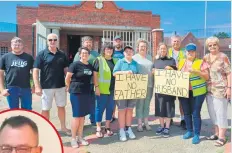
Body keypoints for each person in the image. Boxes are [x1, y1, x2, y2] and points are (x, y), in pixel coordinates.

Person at [33, 33, 70, 135]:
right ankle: (46, 128)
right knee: (45, 109)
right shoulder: (41, 54)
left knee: (61, 107)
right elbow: (35, 70)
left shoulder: (62, 54)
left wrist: (68, 83)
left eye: (54, 39)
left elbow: (66, 70)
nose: (52, 41)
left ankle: (63, 127)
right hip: (46, 87)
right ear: (47, 41)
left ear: (57, 41)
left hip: (61, 86)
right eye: (50, 40)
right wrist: (37, 86)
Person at [178, 43, 209, 144]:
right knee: (186, 112)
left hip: (198, 92)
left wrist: (197, 71)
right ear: (185, 52)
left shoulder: (201, 62)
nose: (190, 53)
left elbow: (207, 76)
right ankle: (189, 131)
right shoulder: (181, 62)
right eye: (188, 51)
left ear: (195, 53)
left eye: (192, 51)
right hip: (184, 91)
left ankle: (196, 134)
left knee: (195, 113)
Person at [203, 36, 231, 147]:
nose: (212, 46)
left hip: (221, 89)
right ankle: (216, 133)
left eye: (214, 44)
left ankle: (222, 137)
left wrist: (229, 88)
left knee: (221, 114)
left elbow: (229, 73)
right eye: (210, 45)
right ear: (207, 47)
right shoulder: (206, 58)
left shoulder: (223, 57)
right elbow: (204, 72)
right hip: (209, 90)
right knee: (212, 113)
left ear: (218, 45)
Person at [65, 47, 94, 148]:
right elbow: (68, 77)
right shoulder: (75, 64)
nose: (85, 55)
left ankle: (80, 137)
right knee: (77, 116)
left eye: (86, 53)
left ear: (89, 55)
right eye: (83, 53)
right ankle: (73, 138)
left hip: (86, 93)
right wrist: (68, 87)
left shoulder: (90, 66)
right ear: (80, 54)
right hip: (76, 92)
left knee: (82, 116)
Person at [0, 37, 34, 110]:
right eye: (15, 44)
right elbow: (1, 74)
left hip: (26, 87)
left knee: (27, 109)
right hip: (11, 88)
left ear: (22, 46)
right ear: (11, 45)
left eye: (19, 44)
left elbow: (34, 72)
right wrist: (2, 89)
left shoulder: (29, 57)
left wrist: (34, 85)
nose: (17, 46)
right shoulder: (5, 57)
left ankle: (26, 121)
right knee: (13, 110)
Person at [113, 45, 138, 142]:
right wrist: (125, 72)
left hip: (132, 91)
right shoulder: (120, 62)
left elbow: (138, 76)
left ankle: (128, 128)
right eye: (126, 51)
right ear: (124, 53)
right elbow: (114, 73)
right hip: (122, 91)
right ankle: (122, 130)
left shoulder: (135, 63)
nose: (128, 52)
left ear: (133, 53)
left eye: (130, 51)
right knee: (122, 110)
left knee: (130, 110)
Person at [73, 36, 100, 125]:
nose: (88, 44)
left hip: (93, 82)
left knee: (93, 103)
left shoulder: (96, 54)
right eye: (86, 42)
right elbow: (75, 68)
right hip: (82, 84)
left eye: (90, 42)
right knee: (82, 103)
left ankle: (93, 120)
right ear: (83, 43)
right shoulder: (79, 54)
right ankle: (81, 121)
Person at [93, 43, 117, 138]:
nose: (109, 51)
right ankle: (98, 128)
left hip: (112, 90)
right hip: (102, 90)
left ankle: (107, 127)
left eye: (111, 49)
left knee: (110, 109)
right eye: (107, 49)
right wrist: (97, 87)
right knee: (99, 109)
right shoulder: (98, 60)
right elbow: (95, 75)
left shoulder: (115, 61)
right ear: (104, 50)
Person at [153, 42, 177, 137]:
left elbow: (176, 73)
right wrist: (153, 72)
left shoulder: (172, 60)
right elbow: (153, 71)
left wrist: (170, 69)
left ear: (167, 50)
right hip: (159, 88)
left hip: (169, 89)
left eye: (164, 49)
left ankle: (167, 127)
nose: (163, 50)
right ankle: (161, 126)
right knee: (159, 107)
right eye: (161, 49)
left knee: (168, 108)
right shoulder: (156, 61)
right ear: (158, 50)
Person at [132, 39, 153, 132]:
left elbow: (153, 68)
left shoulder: (150, 57)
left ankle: (146, 122)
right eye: (141, 46)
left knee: (147, 103)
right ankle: (139, 123)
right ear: (138, 48)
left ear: (147, 48)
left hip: (150, 84)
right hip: (139, 85)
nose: (143, 48)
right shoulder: (134, 58)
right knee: (139, 104)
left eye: (144, 46)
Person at [168, 35, 186, 129]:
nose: (176, 43)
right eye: (174, 41)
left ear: (180, 42)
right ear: (171, 42)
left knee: (182, 101)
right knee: (170, 100)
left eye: (177, 41)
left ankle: (183, 119)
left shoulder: (184, 53)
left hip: (181, 79)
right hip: (170, 80)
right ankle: (170, 118)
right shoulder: (167, 52)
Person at [111, 35, 124, 123]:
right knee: (113, 100)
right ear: (113, 42)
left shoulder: (124, 52)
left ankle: (121, 116)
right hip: (112, 79)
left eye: (119, 41)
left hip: (123, 79)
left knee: (121, 99)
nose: (118, 42)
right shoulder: (111, 52)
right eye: (116, 41)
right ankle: (112, 116)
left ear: (121, 42)